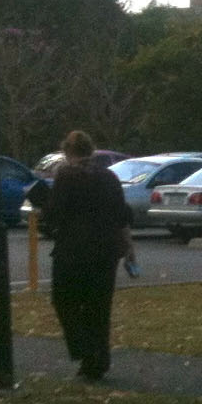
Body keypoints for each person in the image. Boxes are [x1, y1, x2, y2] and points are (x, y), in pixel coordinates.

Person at [43, 130, 133, 380]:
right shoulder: (109, 177)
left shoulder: (67, 176)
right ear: (91, 150)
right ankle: (98, 361)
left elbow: (54, 213)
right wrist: (129, 248)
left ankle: (83, 349)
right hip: (106, 250)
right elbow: (122, 215)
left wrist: (42, 204)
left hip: (73, 250)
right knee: (98, 307)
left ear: (68, 152)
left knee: (65, 301)